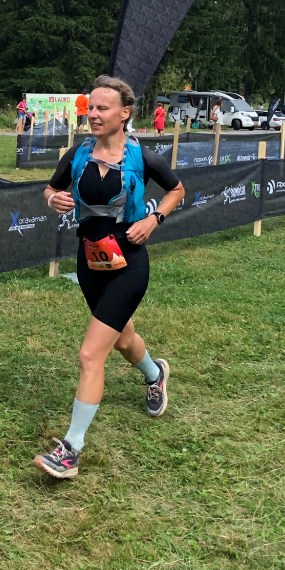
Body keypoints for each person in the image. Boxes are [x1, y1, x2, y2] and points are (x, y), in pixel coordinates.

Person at [34, 74, 185, 480]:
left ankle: (71, 449)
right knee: (121, 337)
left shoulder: (143, 157)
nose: (94, 114)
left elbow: (177, 190)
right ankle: (156, 374)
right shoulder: (78, 154)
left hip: (129, 263)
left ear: (125, 113)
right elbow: (48, 190)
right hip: (91, 262)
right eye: (91, 108)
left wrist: (153, 219)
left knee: (90, 354)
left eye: (103, 108)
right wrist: (54, 199)